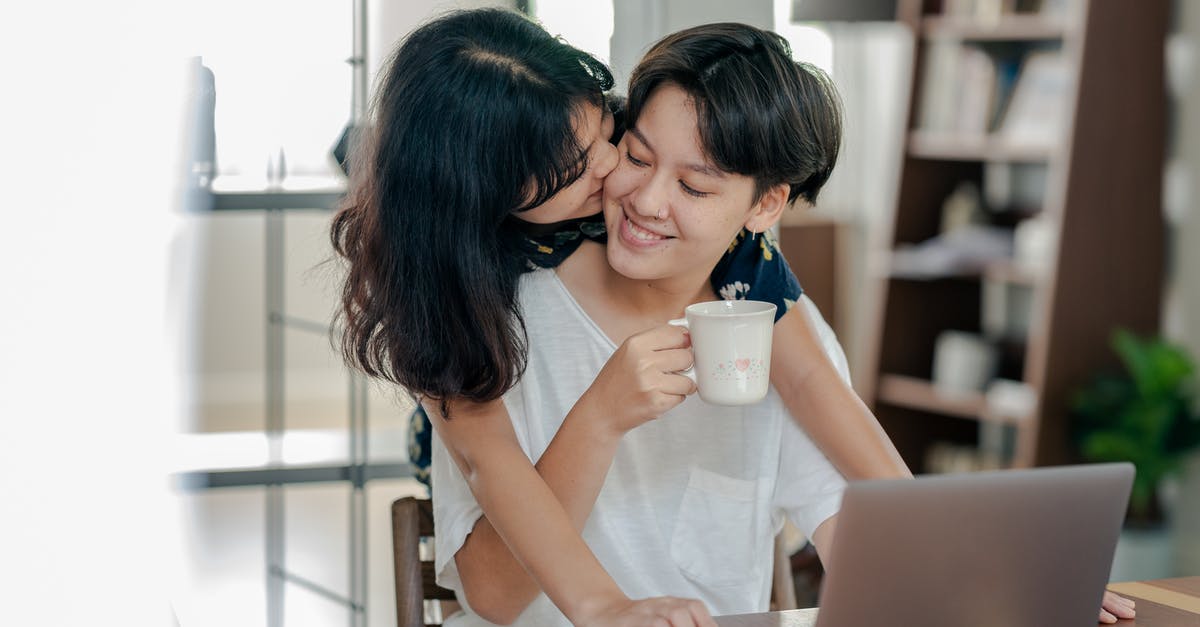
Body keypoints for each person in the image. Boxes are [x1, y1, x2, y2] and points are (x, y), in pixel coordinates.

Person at [331, 8, 1135, 626]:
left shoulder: (752, 293)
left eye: (613, 139)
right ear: (504, 194)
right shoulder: (472, 301)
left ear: (766, 205)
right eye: (630, 157)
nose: (630, 186)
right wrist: (601, 423)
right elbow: (495, 568)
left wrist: (999, 573)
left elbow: (832, 419)